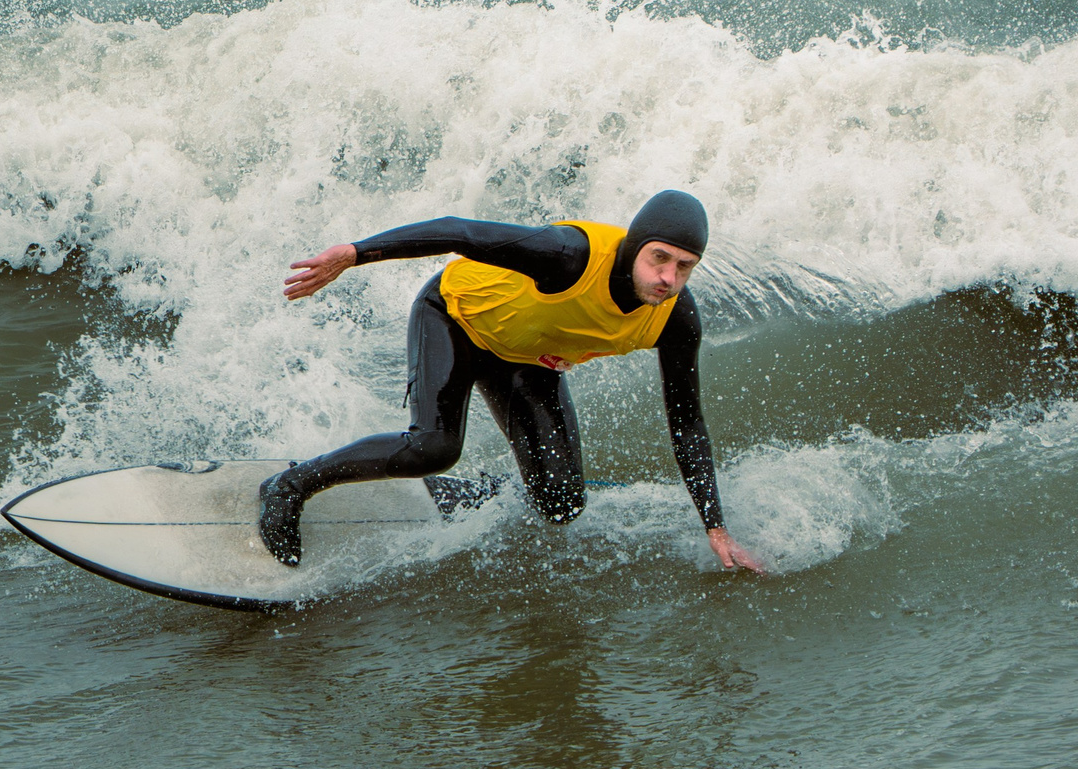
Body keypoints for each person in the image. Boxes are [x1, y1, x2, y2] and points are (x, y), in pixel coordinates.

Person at [258, 189, 767, 573]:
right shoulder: (569, 255)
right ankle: (289, 485)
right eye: (660, 258)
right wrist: (354, 253)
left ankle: (468, 494)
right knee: (433, 446)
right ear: (636, 246)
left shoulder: (675, 318)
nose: (668, 279)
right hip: (454, 317)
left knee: (562, 501)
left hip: (524, 356)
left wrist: (715, 527)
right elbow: (458, 230)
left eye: (685, 267)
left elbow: (687, 420)